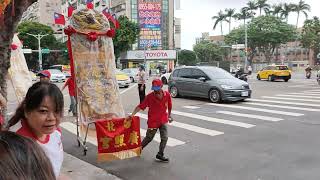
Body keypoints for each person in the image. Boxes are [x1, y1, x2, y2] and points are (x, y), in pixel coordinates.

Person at [7, 82, 64, 177]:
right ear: (26, 111)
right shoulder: (16, 144)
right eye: (43, 111)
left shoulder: (56, 132)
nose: (52, 118)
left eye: (57, 110)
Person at [128, 79, 172, 162]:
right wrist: (132, 114)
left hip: (163, 120)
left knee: (165, 138)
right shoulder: (150, 96)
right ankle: (139, 149)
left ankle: (160, 154)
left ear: (161, 86)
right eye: (154, 88)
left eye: (157, 88)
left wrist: (169, 115)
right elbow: (140, 106)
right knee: (149, 138)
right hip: (153, 122)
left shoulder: (167, 95)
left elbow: (169, 105)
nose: (155, 90)